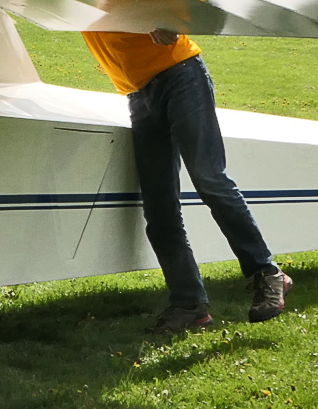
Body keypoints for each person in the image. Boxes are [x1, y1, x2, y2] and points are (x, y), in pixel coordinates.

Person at [82, 28, 290, 331]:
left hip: (179, 74)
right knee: (159, 208)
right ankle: (189, 305)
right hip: (139, 94)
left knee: (209, 178)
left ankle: (267, 273)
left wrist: (168, 18)